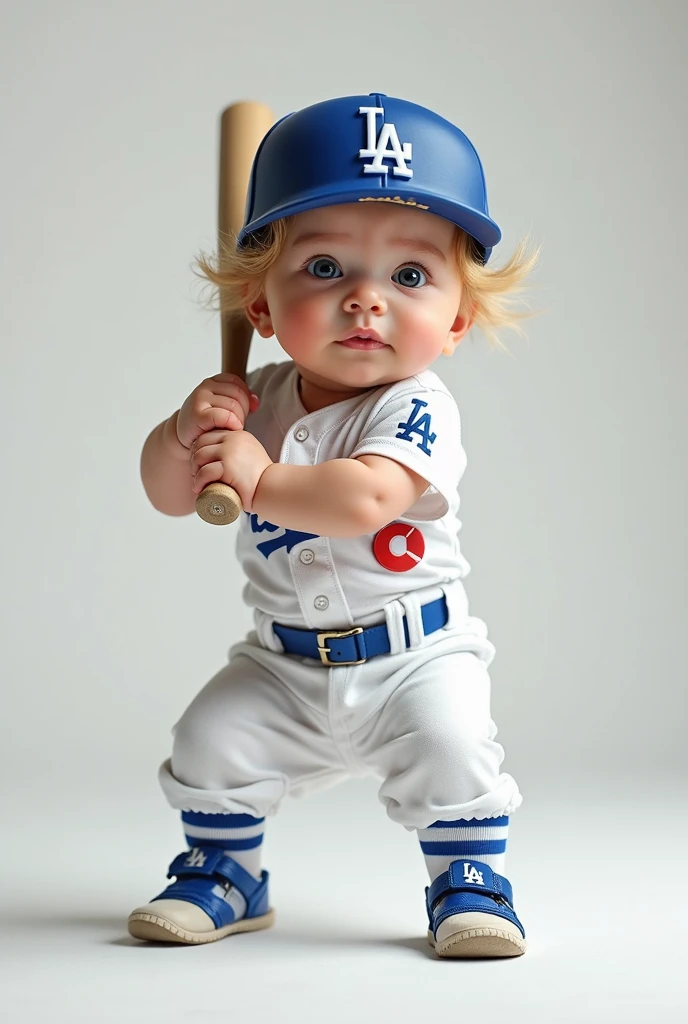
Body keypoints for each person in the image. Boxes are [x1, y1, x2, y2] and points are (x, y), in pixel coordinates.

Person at [129, 93, 538, 958]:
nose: (365, 299)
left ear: (458, 318)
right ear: (261, 307)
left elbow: (363, 498)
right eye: (323, 269)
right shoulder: (257, 399)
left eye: (411, 276)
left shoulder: (417, 406)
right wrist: (185, 436)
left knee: (452, 746)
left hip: (412, 659)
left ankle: (466, 881)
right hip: (283, 661)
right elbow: (169, 494)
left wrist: (261, 475)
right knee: (210, 738)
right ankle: (225, 871)